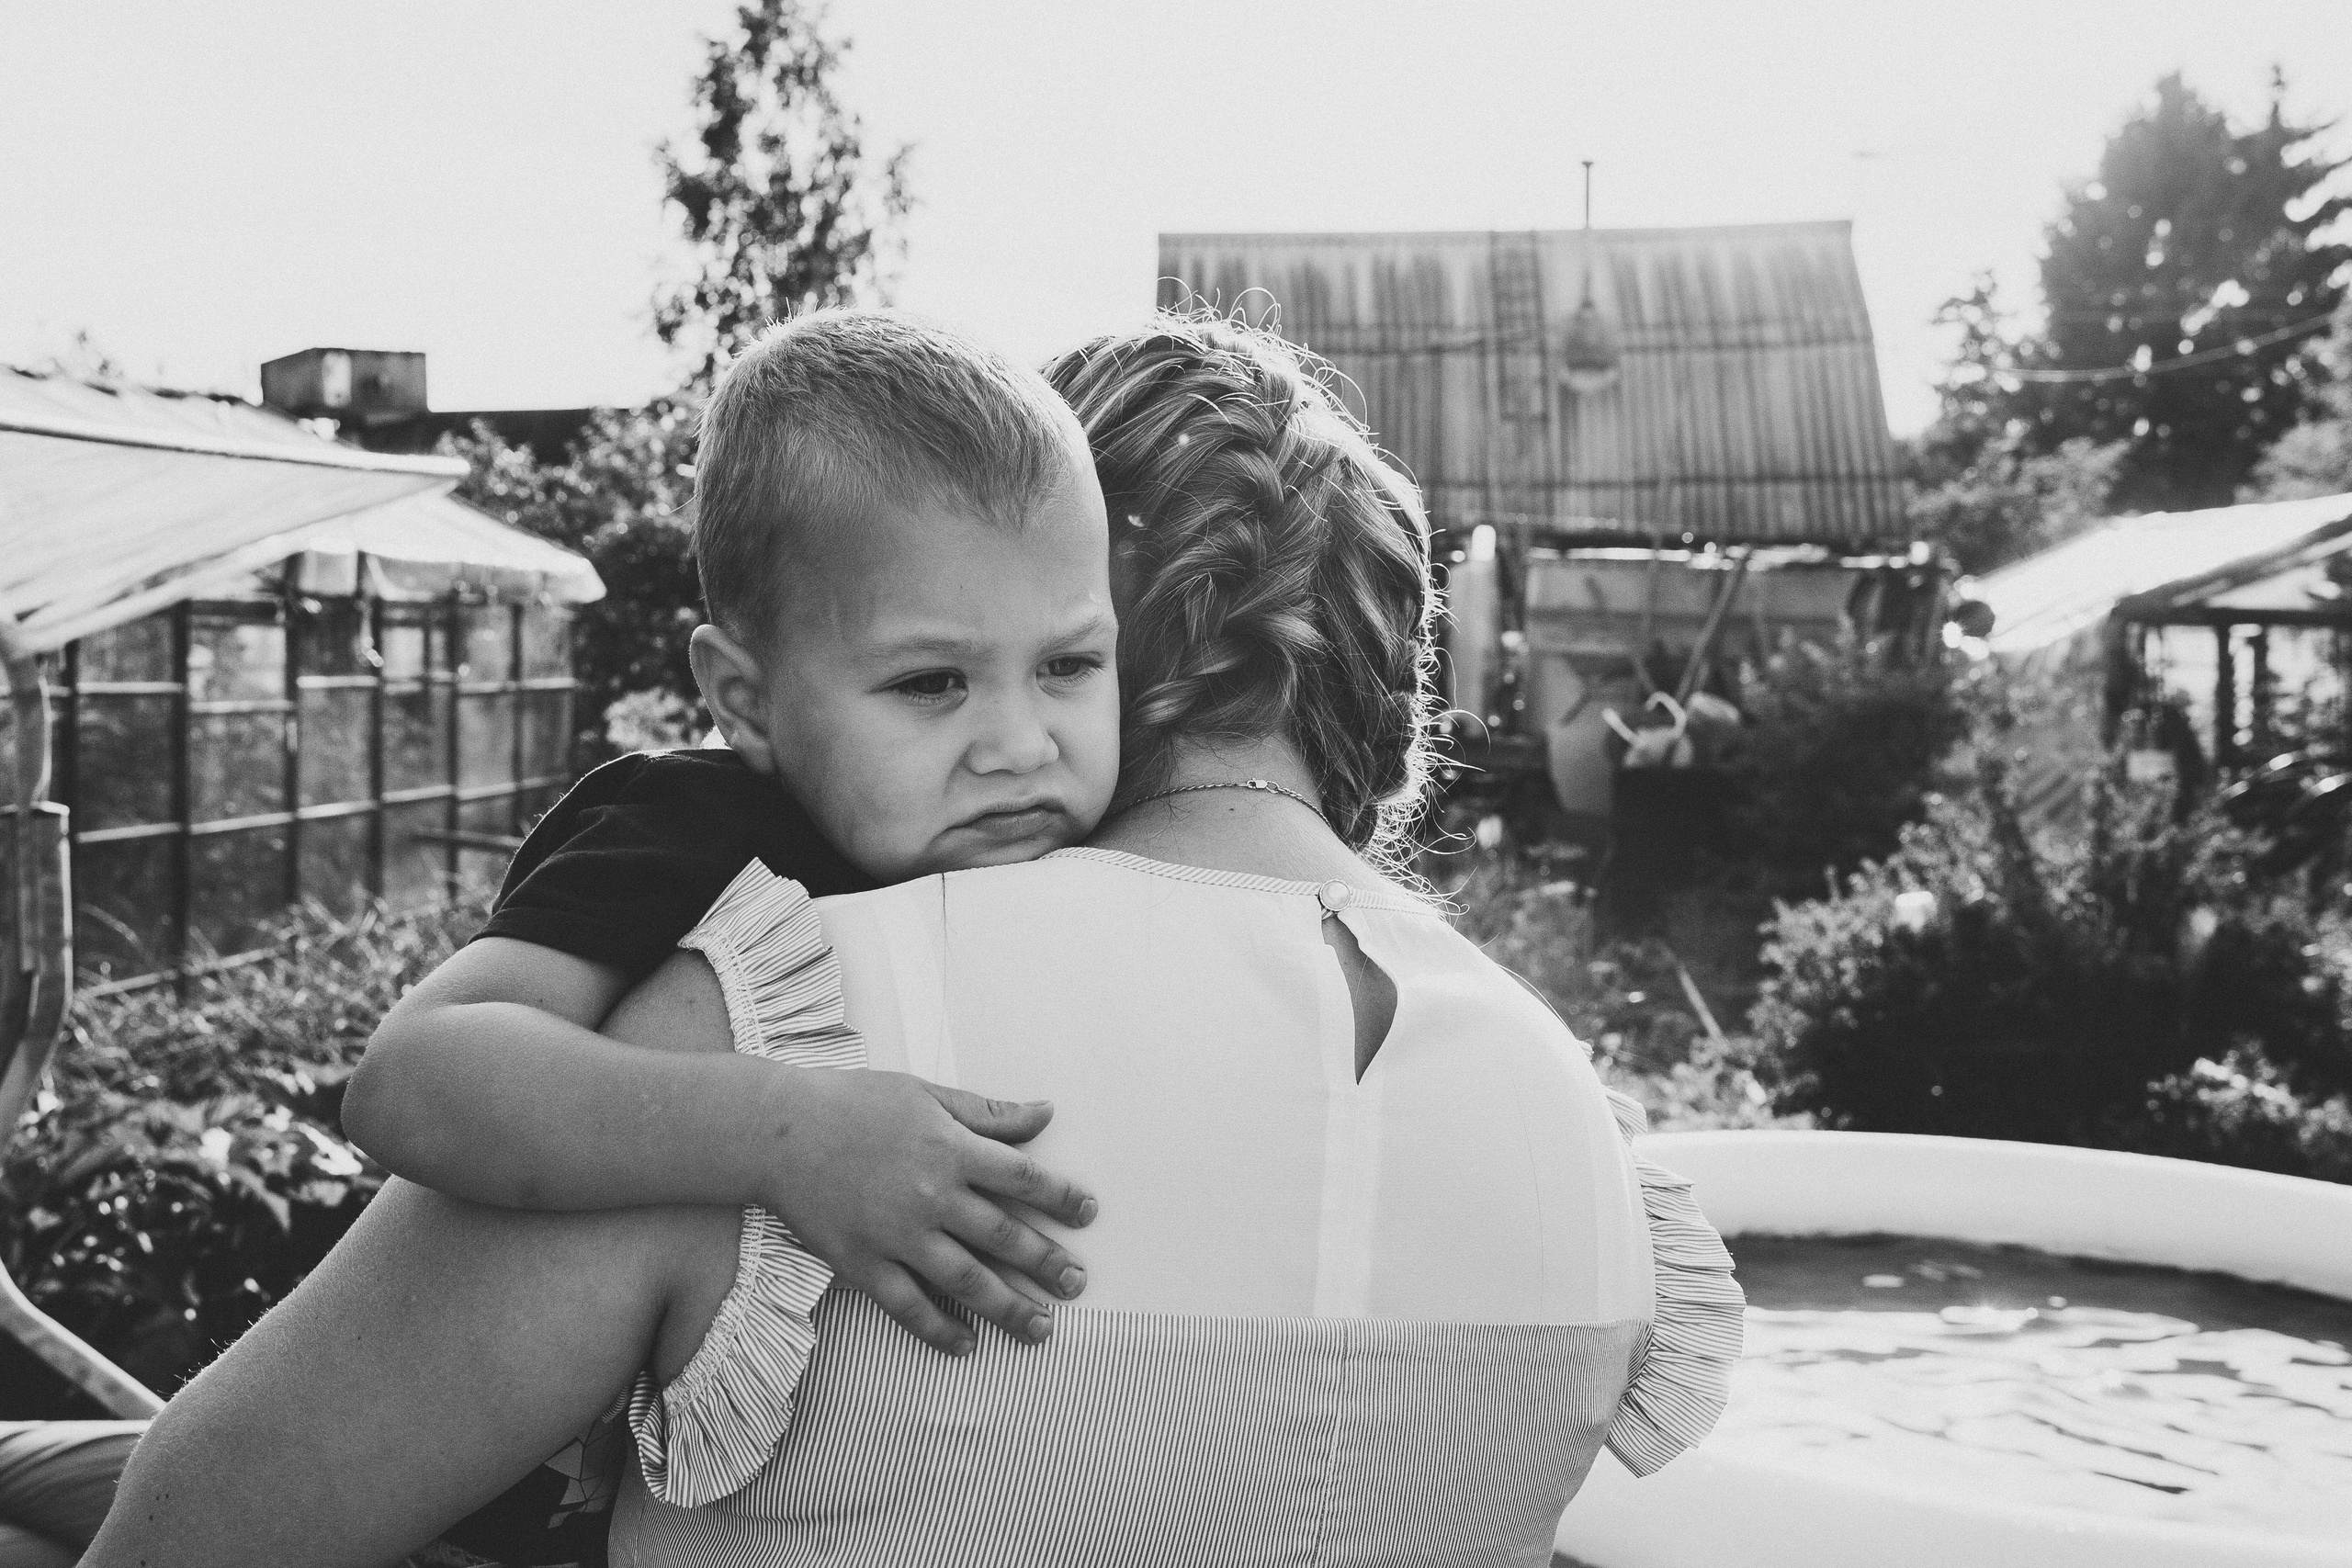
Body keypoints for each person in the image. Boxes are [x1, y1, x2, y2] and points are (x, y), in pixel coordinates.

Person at [83, 313, 1740, 1568]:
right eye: (937, 680)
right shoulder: (1588, 1152)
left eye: (1058, 668)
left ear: (1115, 632)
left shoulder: (784, 1023)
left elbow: (195, 1530)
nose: (1008, 740)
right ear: (1391, 703)